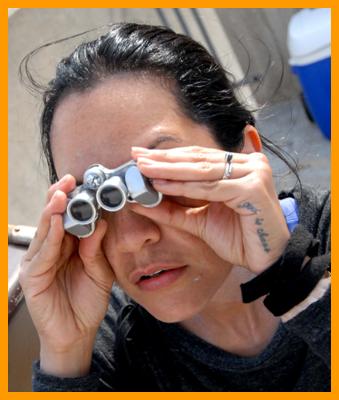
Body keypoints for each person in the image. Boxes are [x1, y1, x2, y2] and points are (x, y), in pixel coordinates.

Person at [19, 23, 330, 392]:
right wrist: (65, 351)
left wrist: (294, 274)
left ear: (243, 153)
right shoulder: (113, 347)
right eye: (93, 203)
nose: (134, 238)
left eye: (155, 180)